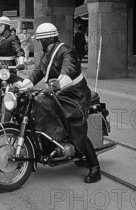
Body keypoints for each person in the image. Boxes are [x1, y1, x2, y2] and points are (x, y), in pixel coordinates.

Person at [16, 22, 101, 184]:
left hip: (75, 96)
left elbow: (68, 70)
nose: (40, 44)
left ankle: (95, 167)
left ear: (47, 40)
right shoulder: (48, 54)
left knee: (74, 125)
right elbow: (38, 72)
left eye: (40, 41)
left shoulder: (66, 51)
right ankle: (51, 141)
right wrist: (23, 85)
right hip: (58, 92)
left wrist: (58, 83)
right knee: (36, 102)